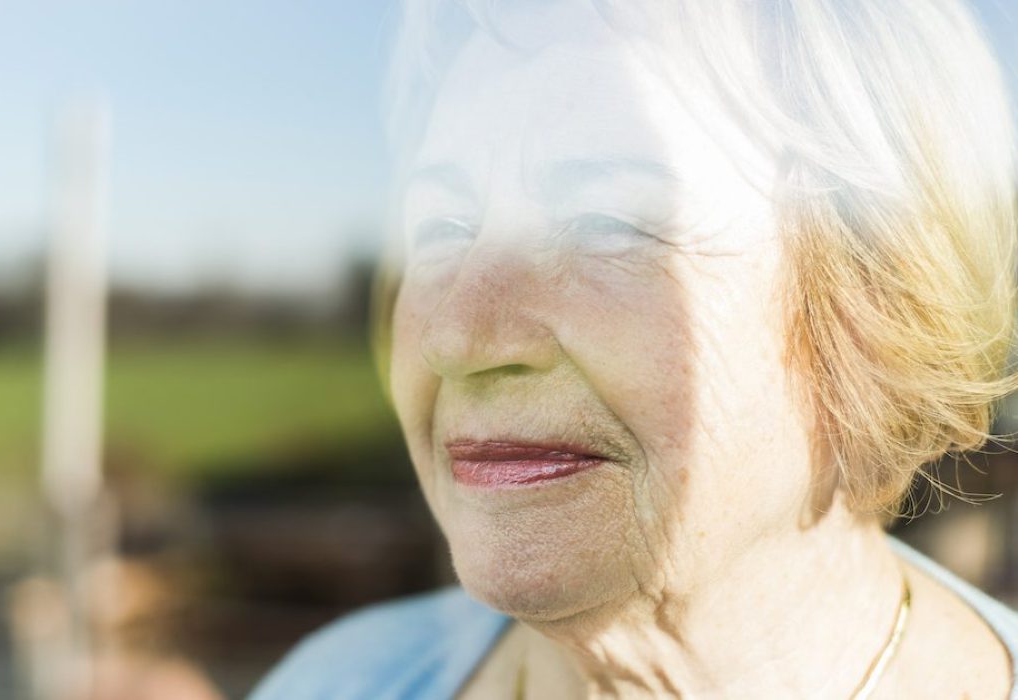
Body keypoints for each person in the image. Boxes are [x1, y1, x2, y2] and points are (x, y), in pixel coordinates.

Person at [252, 0, 1018, 697]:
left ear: (878, 314)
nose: (460, 337)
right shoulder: (337, 679)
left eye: (610, 221)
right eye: (443, 229)